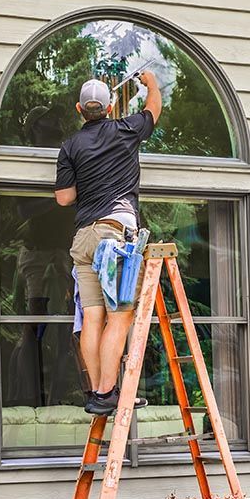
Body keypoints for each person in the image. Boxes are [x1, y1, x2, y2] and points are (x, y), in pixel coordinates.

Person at [54, 72, 163, 415]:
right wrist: (151, 83)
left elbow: (63, 198)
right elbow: (153, 110)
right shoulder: (125, 129)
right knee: (120, 318)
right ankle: (107, 393)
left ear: (79, 109)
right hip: (114, 236)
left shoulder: (70, 146)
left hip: (83, 239)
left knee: (92, 319)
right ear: (110, 106)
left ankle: (95, 394)